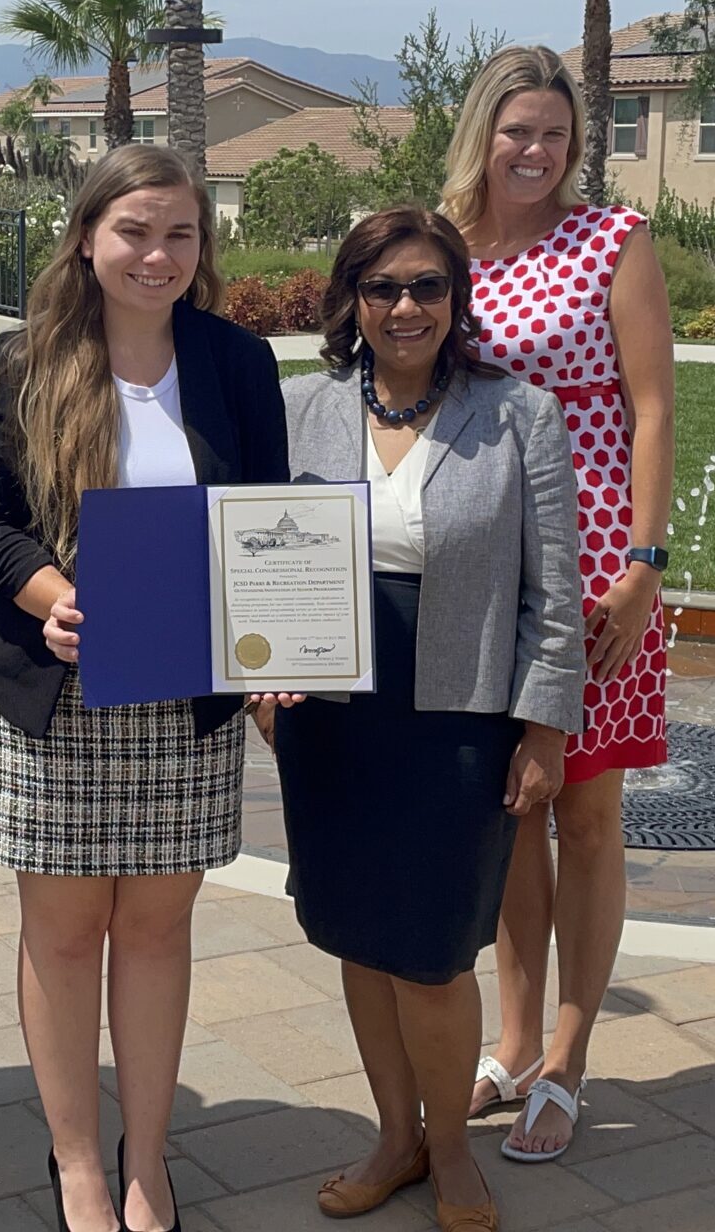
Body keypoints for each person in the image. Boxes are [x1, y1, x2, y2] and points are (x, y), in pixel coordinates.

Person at [0, 145, 287, 1232]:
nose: (158, 254)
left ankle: (149, 1162)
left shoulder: (236, 364)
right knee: (61, 936)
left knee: (154, 931)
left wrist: (284, 660)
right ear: (88, 238)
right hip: (60, 697)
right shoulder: (26, 362)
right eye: (136, 231)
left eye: (180, 233)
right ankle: (77, 1162)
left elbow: (266, 524)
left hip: (183, 695)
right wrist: (47, 591)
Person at [268, 208, 584, 1231]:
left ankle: (451, 1148)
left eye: (428, 288)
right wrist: (259, 680)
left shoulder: (517, 413)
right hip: (333, 716)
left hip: (459, 716)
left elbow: (557, 589)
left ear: (457, 301)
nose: (406, 307)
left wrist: (543, 728)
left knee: (437, 952)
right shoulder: (299, 409)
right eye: (384, 288)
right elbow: (258, 557)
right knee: (362, 936)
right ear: (351, 301)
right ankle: (393, 1135)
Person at [439, 47, 677, 1163]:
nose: (536, 151)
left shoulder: (612, 243)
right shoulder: (445, 253)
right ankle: (513, 1040)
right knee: (507, 812)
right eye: (517, 130)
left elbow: (653, 405)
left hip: (593, 566)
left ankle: (569, 1063)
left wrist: (644, 562)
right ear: (480, 133)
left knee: (582, 812)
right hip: (484, 562)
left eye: (556, 134)